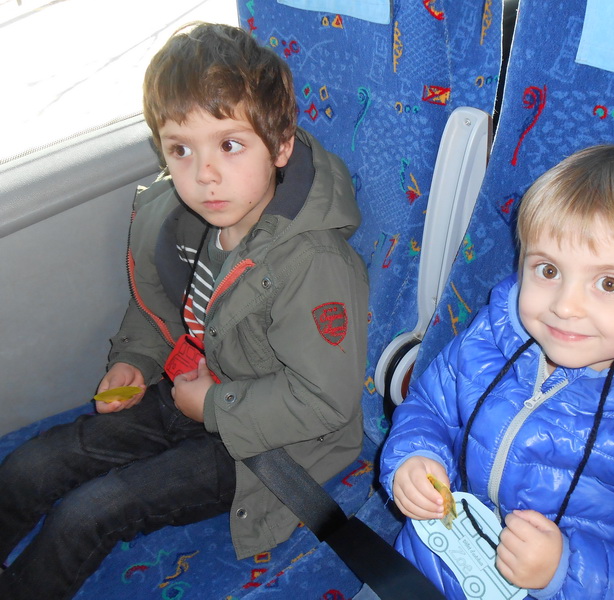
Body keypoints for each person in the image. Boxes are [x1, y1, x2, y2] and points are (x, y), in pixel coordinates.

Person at [0, 23, 368, 599]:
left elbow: (324, 400)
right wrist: (135, 362)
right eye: (180, 150)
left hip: (266, 442)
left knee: (86, 514)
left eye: (229, 145)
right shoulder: (182, 221)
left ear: (280, 146)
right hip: (191, 386)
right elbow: (158, 308)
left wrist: (214, 405)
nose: (203, 175)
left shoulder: (313, 263)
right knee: (30, 468)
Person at [379, 145, 614, 598]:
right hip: (428, 564)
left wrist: (565, 571)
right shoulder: (490, 338)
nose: (565, 306)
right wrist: (413, 458)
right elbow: (429, 408)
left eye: (609, 283)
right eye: (548, 270)